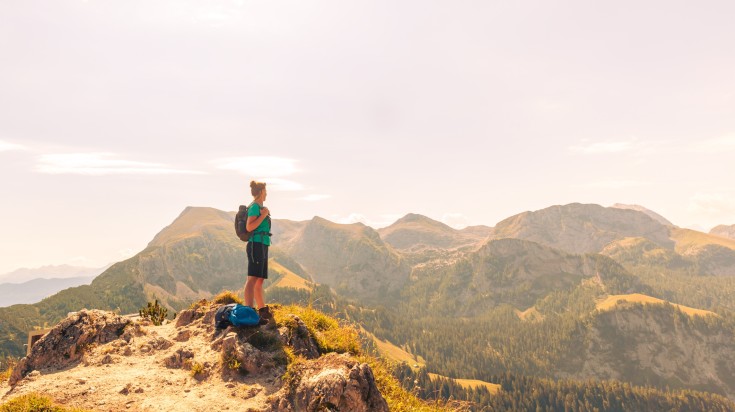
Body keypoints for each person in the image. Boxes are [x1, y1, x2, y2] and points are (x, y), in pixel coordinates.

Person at [244, 180, 273, 323]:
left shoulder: (260, 207)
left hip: (262, 244)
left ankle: (262, 310)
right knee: (252, 279)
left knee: (259, 279)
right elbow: (249, 227)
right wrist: (264, 215)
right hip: (255, 245)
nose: (267, 193)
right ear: (261, 191)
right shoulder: (255, 207)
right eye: (265, 191)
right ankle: (249, 311)